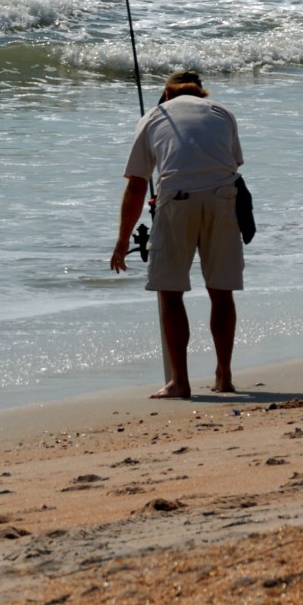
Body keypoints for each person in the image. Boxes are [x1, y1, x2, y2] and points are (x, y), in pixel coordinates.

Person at [110, 69, 244, 399]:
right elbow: (228, 165)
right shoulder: (223, 113)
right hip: (223, 199)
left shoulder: (155, 115)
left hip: (178, 200)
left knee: (170, 292)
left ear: (166, 94)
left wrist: (123, 239)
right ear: (201, 93)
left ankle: (179, 382)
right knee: (221, 291)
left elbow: (138, 184)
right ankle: (224, 376)